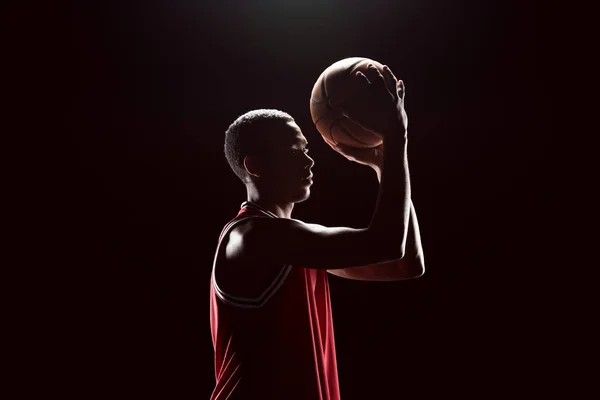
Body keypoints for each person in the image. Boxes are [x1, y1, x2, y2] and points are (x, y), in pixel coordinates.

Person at [209, 64, 425, 399]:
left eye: (307, 150)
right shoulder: (252, 237)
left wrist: (384, 164)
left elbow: (405, 264)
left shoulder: (296, 245)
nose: (310, 161)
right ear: (256, 166)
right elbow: (386, 244)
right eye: (295, 151)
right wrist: (396, 136)